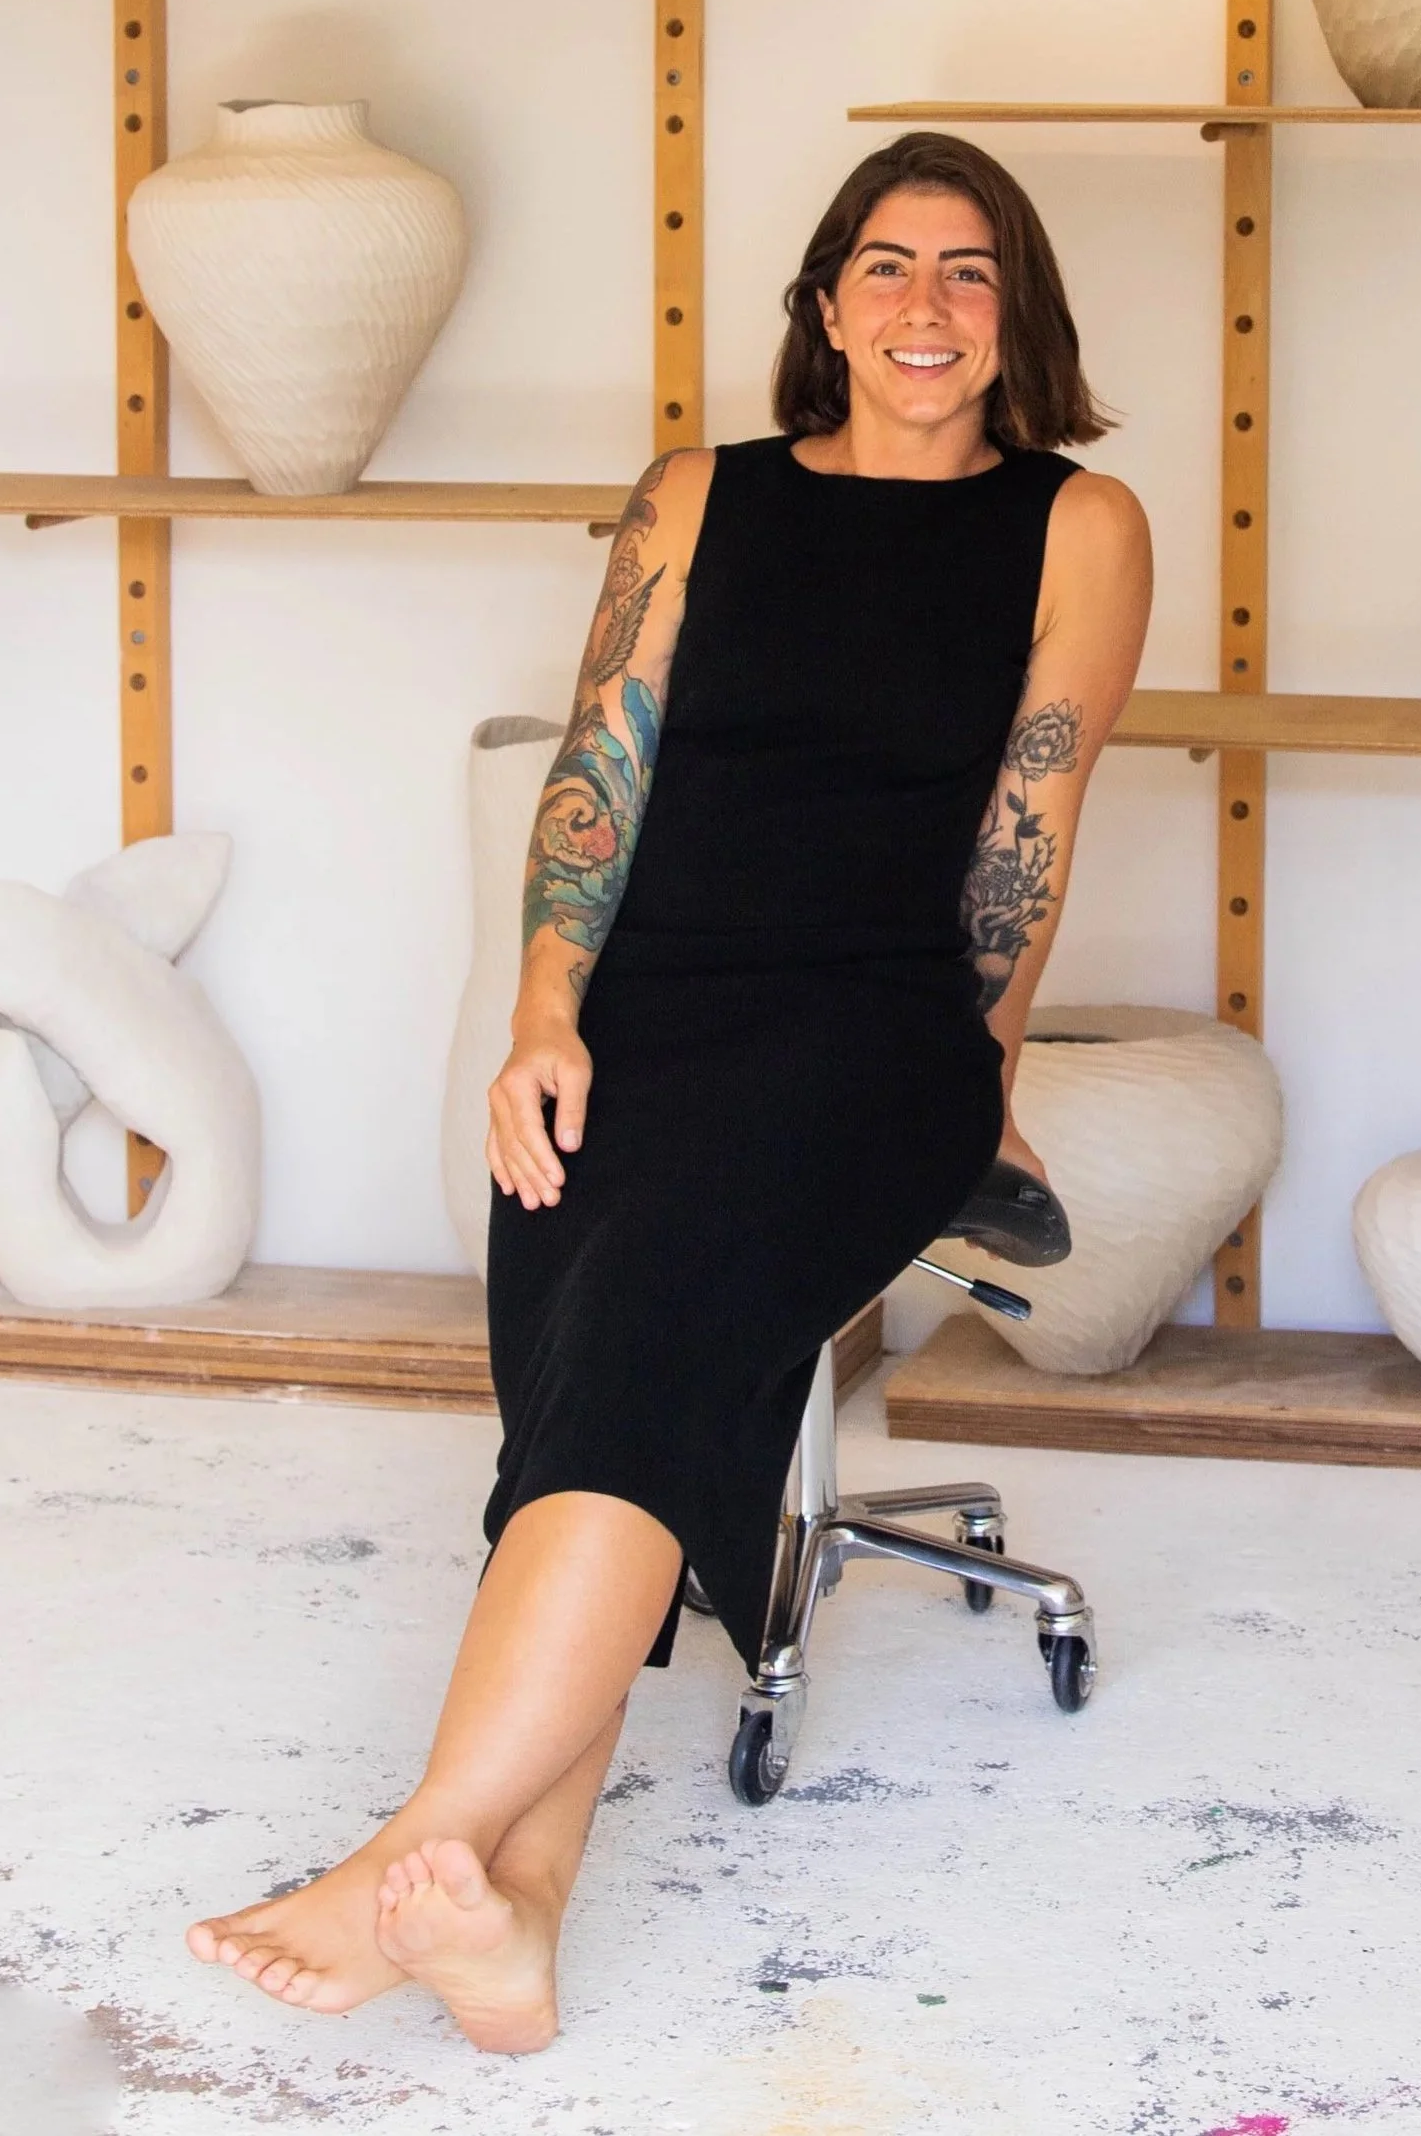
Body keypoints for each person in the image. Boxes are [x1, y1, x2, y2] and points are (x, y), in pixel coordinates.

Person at [185, 130, 1152, 2053]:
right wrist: (547, 1012)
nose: (924, 306)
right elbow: (595, 769)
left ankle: (418, 1849)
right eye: (886, 266)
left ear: (1016, 315)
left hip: (871, 1036)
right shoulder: (695, 496)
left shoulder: (1078, 525)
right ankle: (515, 1915)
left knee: (642, 1348)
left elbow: (1023, 833)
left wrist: (986, 1083)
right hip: (645, 1019)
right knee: (597, 1373)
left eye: (969, 273)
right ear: (820, 304)